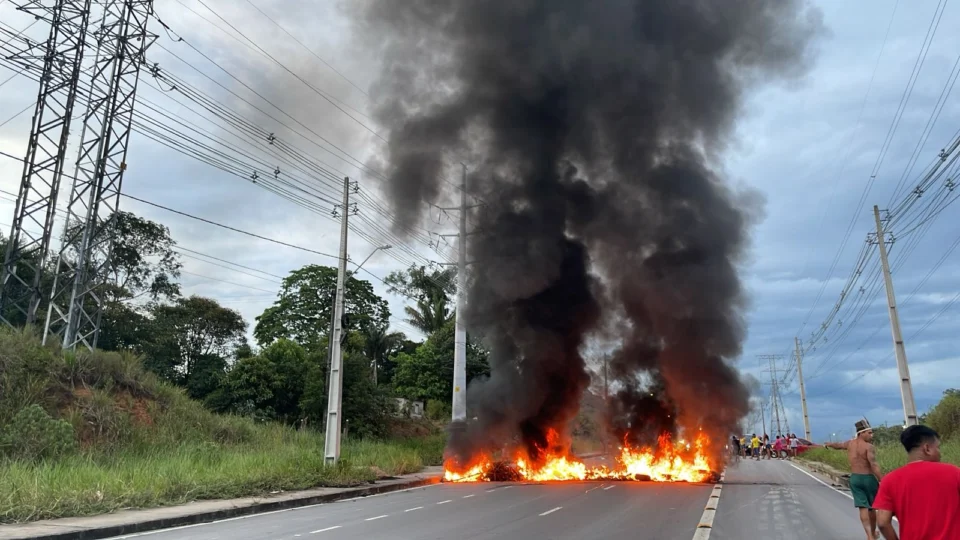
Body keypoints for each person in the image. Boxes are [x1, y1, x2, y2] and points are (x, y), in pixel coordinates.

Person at [874, 424, 960, 540]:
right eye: (938, 447)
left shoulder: (890, 480)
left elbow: (882, 522)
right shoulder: (954, 473)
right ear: (927, 448)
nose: (940, 452)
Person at [824, 418, 883, 540]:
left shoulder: (850, 444)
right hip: (868, 479)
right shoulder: (868, 447)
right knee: (872, 508)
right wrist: (882, 480)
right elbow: (874, 465)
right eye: (869, 433)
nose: (871, 435)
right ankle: (872, 533)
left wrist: (829, 444)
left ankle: (869, 536)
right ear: (861, 433)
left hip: (855, 479)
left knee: (862, 507)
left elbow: (838, 445)